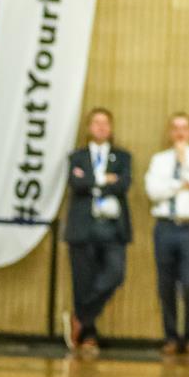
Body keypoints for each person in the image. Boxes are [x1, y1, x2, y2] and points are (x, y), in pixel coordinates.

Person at [62, 107, 132, 357]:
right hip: (83, 227)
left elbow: (123, 184)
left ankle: (80, 317)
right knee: (83, 281)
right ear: (89, 127)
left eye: (105, 123)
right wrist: (104, 180)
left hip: (112, 227)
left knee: (115, 274)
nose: (101, 127)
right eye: (96, 122)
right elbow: (76, 183)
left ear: (111, 128)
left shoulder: (121, 157)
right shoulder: (77, 157)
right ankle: (88, 334)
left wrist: (92, 181)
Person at [144, 111, 189, 358]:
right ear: (170, 132)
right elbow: (154, 192)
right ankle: (170, 336)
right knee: (166, 284)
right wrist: (180, 184)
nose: (180, 132)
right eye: (175, 127)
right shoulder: (159, 160)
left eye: (184, 127)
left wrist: (184, 162)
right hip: (165, 227)